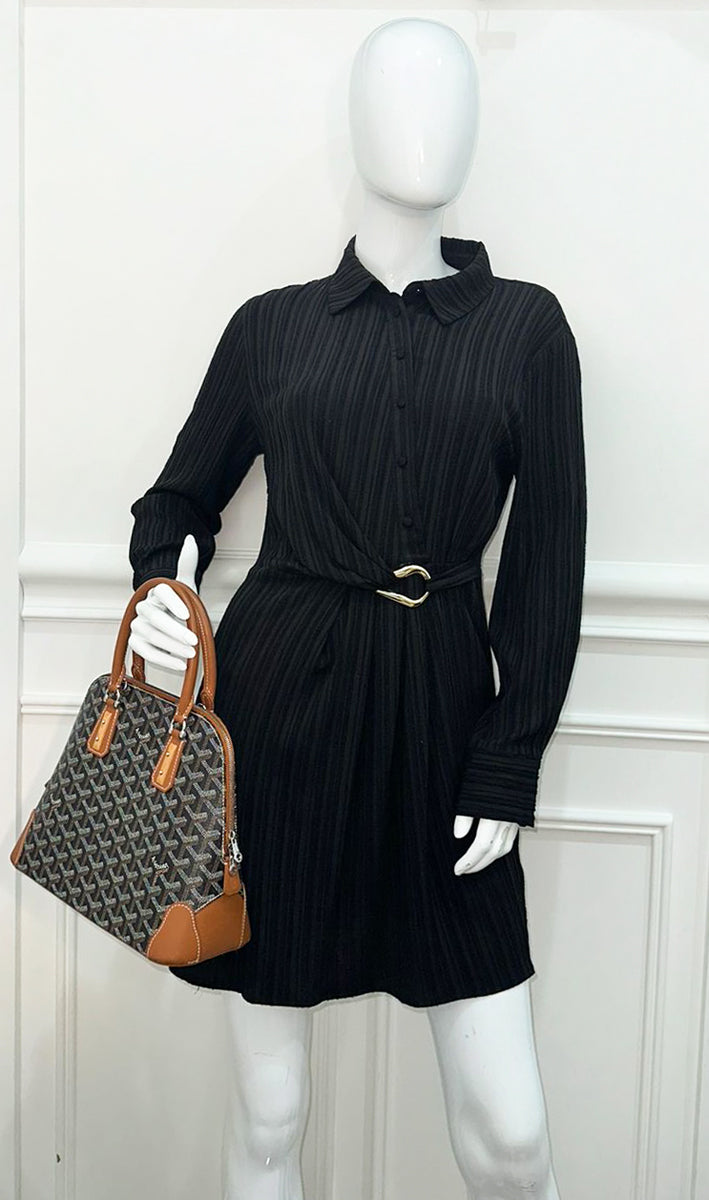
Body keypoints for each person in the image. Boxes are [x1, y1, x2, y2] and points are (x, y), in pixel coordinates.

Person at [128, 17, 585, 1199]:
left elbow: (547, 564)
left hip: (442, 722)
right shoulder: (272, 326)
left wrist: (507, 761)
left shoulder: (526, 329)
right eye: (395, 95)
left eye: (449, 98)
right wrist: (163, 585)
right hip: (280, 715)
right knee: (271, 1111)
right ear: (354, 123)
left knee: (511, 1132)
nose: (425, 126)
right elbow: (178, 501)